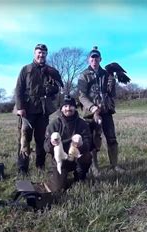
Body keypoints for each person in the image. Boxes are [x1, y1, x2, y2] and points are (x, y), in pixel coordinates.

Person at [14, 44, 63, 175]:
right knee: (24, 138)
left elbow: (58, 87)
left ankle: (40, 165)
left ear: (46, 55)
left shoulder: (50, 70)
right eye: (39, 53)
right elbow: (18, 89)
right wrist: (20, 107)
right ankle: (22, 168)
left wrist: (51, 89)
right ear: (34, 54)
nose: (41, 55)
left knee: (41, 139)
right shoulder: (26, 69)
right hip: (27, 109)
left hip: (43, 110)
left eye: (44, 53)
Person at [78, 46, 125, 176]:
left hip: (106, 111)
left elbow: (112, 94)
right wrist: (92, 107)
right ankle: (95, 168)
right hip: (91, 113)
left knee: (112, 138)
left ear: (100, 59)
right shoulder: (83, 75)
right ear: (89, 60)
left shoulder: (106, 74)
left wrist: (113, 81)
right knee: (93, 141)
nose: (94, 59)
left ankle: (114, 165)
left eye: (96, 57)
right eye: (92, 57)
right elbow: (81, 96)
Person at [44, 95, 92, 192]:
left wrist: (81, 144)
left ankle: (80, 176)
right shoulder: (54, 124)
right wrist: (51, 143)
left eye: (71, 106)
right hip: (60, 159)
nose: (68, 109)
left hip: (76, 156)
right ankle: (57, 175)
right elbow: (46, 147)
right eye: (65, 106)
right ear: (61, 109)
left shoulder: (82, 124)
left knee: (87, 155)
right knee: (59, 188)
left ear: (75, 108)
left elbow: (88, 143)